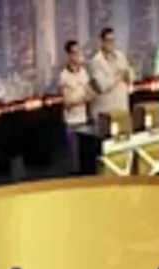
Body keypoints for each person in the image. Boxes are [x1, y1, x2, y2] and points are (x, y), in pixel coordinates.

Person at [58, 39, 95, 173]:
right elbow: (67, 102)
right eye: (74, 53)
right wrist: (82, 98)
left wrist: (82, 98)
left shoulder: (84, 72)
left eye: (79, 52)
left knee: (86, 158)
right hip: (72, 123)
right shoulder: (64, 76)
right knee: (75, 161)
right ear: (69, 55)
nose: (78, 56)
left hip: (84, 120)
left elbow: (90, 94)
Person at [88, 28, 134, 132]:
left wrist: (127, 75)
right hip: (105, 112)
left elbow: (130, 75)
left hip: (121, 108)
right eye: (108, 41)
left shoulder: (120, 56)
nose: (111, 44)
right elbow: (102, 85)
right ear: (102, 42)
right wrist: (119, 76)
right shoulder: (96, 62)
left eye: (113, 40)